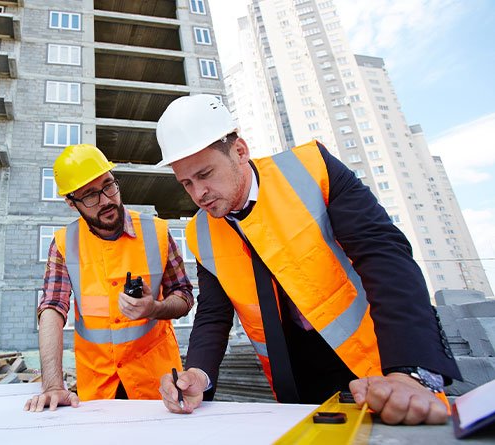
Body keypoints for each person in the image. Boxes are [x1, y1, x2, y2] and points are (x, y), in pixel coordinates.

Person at [155, 94, 461, 425]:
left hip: (378, 363)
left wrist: (409, 369)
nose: (198, 193)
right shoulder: (200, 231)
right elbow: (213, 314)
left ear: (240, 151)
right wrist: (198, 374)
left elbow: (384, 256)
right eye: (186, 183)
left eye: (205, 174)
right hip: (295, 381)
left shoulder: (312, 170)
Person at [25, 144, 194, 412]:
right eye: (90, 196)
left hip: (158, 385)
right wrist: (53, 385)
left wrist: (155, 308)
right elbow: (52, 309)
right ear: (71, 202)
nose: (106, 200)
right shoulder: (64, 244)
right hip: (98, 388)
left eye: (108, 186)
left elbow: (184, 295)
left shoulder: (157, 232)